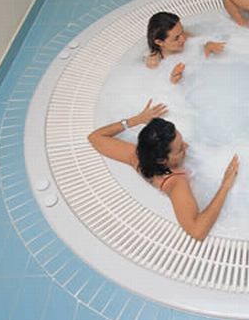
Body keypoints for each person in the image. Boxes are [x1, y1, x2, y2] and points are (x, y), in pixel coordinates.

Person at [88, 100, 239, 240]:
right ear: (162, 160)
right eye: (180, 149)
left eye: (181, 141)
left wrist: (137, 120)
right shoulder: (176, 183)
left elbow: (95, 137)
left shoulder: (137, 157)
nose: (186, 146)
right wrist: (225, 185)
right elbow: (196, 231)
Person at [145, 12, 226, 83]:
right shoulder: (154, 62)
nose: (183, 39)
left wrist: (207, 45)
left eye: (182, 31)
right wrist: (173, 80)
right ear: (159, 42)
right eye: (176, 38)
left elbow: (200, 43)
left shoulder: (185, 36)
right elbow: (161, 87)